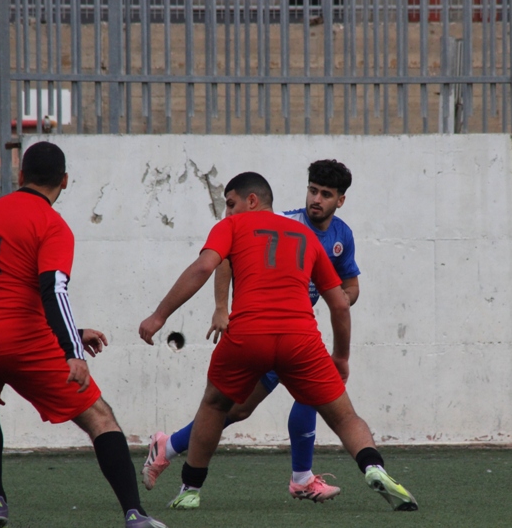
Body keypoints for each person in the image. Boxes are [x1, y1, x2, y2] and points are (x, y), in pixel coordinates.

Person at [138, 172, 417, 512]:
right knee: (343, 417)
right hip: (300, 339)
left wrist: (159, 316)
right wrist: (341, 357)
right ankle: (372, 466)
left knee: (215, 405)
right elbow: (341, 304)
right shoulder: (306, 235)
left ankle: (191, 489)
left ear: (251, 200)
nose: (228, 212)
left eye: (230, 204)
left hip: (248, 334)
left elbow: (203, 267)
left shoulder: (232, 226)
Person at [0, 141, 166, 528]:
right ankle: (135, 514)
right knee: (100, 419)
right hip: (19, 342)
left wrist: (72, 331)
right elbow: (54, 290)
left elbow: (3, 288)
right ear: (64, 181)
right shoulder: (51, 224)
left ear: (20, 176)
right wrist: (72, 348)